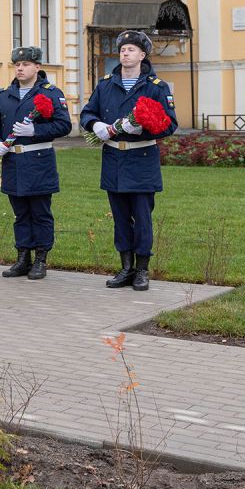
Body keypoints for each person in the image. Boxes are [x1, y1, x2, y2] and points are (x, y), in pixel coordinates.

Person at [79, 30, 178, 292]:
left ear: (142, 55)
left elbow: (169, 124)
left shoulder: (156, 87)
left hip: (141, 159)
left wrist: (143, 130)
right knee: (121, 218)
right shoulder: (106, 84)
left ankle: (142, 270)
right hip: (113, 159)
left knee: (142, 218)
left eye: (131, 49)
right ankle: (126, 268)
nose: (125, 53)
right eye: (122, 49)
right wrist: (96, 125)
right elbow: (87, 113)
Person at [0, 46, 73, 280]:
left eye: (25, 64)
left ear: (37, 67)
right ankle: (23, 257)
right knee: (20, 213)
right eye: (17, 65)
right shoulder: (6, 94)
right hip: (13, 161)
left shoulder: (51, 93)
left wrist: (36, 129)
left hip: (38, 162)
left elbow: (64, 125)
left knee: (40, 212)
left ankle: (41, 259)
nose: (20, 68)